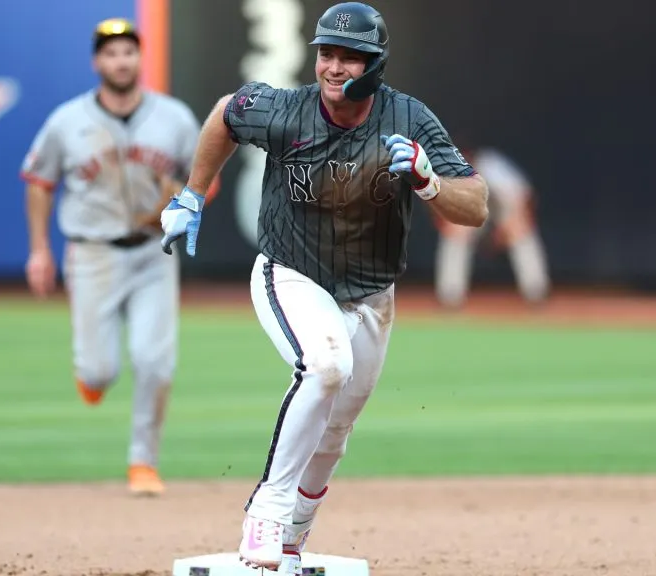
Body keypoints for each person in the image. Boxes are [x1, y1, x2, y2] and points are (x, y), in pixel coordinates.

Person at [158, 2, 488, 572]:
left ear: (375, 65)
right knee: (326, 366)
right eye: (326, 54)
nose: (334, 67)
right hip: (291, 272)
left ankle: (295, 534)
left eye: (349, 57)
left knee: (336, 430)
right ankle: (268, 509)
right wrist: (191, 194)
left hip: (371, 293)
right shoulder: (287, 110)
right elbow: (226, 114)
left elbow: (476, 205)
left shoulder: (408, 119)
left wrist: (429, 182)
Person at [20, 17, 212, 497]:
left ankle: (143, 461)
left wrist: (184, 199)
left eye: (128, 51)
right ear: (96, 62)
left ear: (139, 58)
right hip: (93, 253)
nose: (121, 60)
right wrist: (40, 251)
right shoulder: (68, 121)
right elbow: (40, 182)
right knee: (98, 370)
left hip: (153, 252)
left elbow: (205, 177)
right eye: (111, 53)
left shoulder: (174, 118)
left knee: (155, 361)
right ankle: (92, 377)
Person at [432, 146, 551, 308]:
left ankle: (536, 291)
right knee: (456, 232)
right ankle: (450, 295)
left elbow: (523, 199)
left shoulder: (492, 167)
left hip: (505, 207)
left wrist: (503, 232)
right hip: (474, 208)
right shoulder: (448, 172)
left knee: (519, 230)